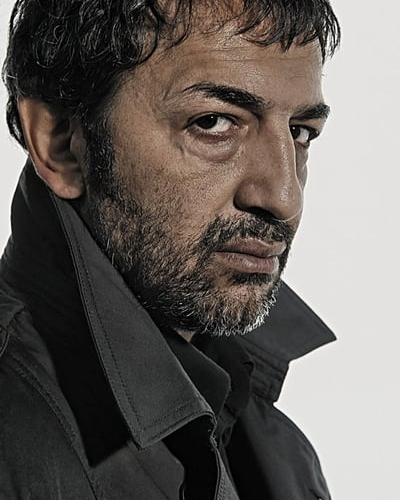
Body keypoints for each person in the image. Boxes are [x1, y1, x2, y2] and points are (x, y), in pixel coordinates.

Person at [0, 1, 340, 499]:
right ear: (60, 142)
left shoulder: (276, 447)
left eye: (300, 132)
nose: (284, 198)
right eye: (214, 122)